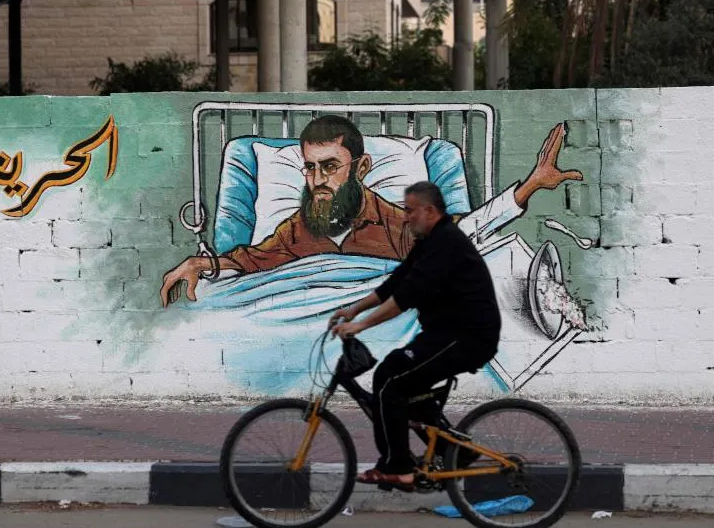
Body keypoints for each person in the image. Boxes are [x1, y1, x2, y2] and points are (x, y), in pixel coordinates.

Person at [159, 115, 582, 308]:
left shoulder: (396, 224)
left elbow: (462, 231)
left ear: (361, 168)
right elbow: (253, 260)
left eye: (330, 167)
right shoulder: (298, 230)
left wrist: (530, 185)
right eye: (310, 168)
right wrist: (201, 263)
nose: (317, 180)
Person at [329, 181, 502, 489]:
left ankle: (399, 467)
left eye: (410, 211)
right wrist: (353, 310)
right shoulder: (430, 242)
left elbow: (406, 296)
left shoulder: (445, 244)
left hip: (466, 337)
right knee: (406, 386)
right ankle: (455, 452)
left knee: (390, 377)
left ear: (429, 211)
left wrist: (360, 326)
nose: (405, 217)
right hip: (446, 334)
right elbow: (397, 282)